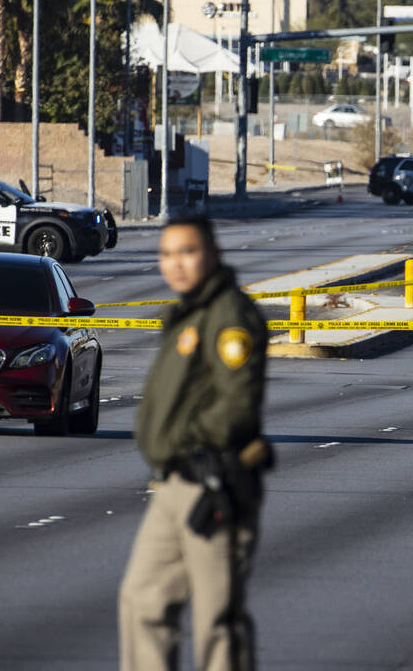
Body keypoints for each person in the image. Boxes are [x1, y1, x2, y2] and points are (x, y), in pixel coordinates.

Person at [119, 212, 270, 671]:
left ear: (214, 254)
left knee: (216, 622)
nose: (176, 264)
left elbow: (236, 405)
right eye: (166, 254)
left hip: (213, 483)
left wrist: (182, 440)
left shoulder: (229, 317)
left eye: (188, 251)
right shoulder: (189, 314)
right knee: (142, 600)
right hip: (172, 485)